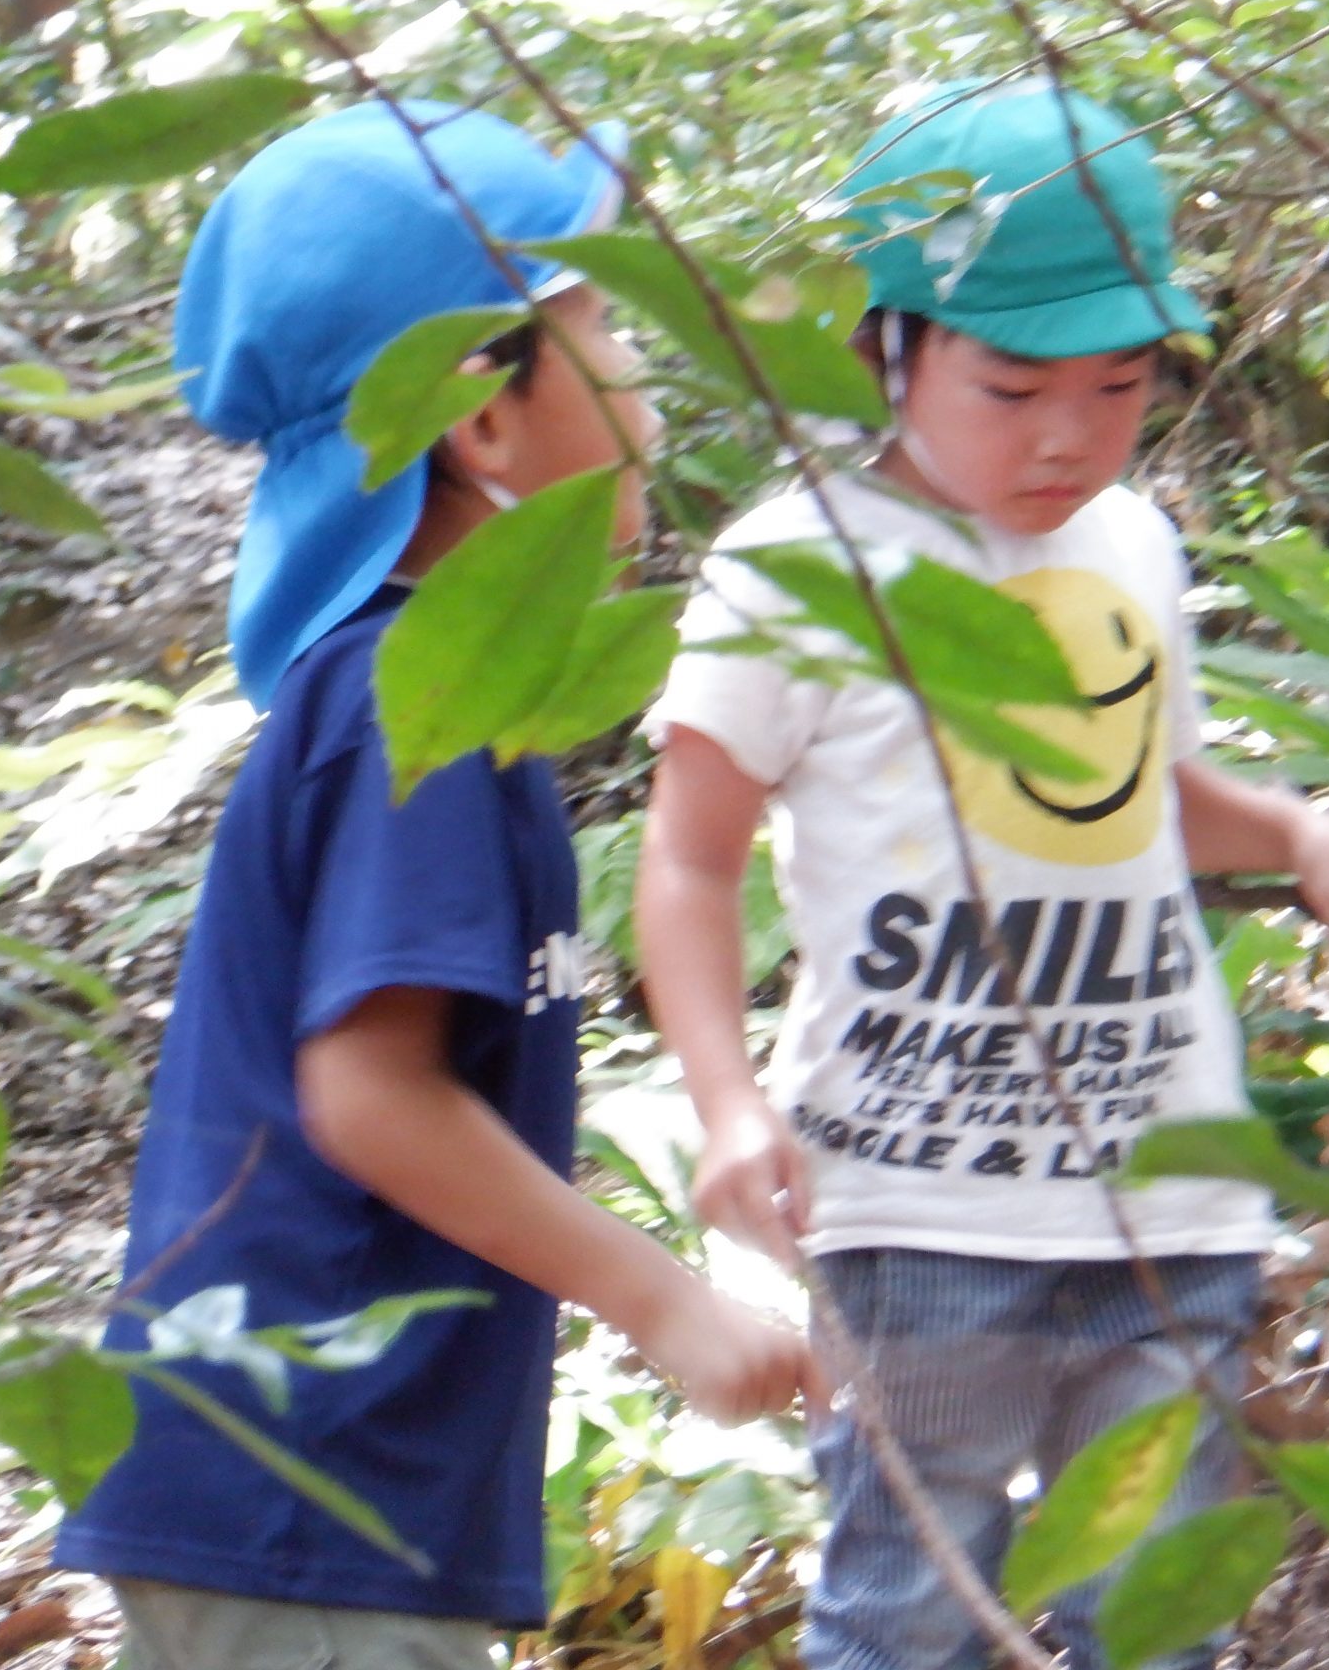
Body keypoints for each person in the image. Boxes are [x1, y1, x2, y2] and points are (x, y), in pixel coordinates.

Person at [633, 77, 1329, 1670]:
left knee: (1152, 1623)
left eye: (1120, 382)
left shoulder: (1130, 541)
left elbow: (1149, 796)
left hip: (1167, 1202)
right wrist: (725, 1099)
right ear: (891, 347)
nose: (1069, 433)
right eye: (1009, 386)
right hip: (911, 1212)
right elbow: (689, 860)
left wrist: (1300, 836)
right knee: (907, 1616)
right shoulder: (801, 566)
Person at [54, 99, 814, 1670]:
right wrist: (664, 1302)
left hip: (325, 1509)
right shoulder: (416, 704)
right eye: (599, 323)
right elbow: (370, 1094)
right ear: (481, 421)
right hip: (307, 1507)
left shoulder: (426, 689)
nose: (641, 375)